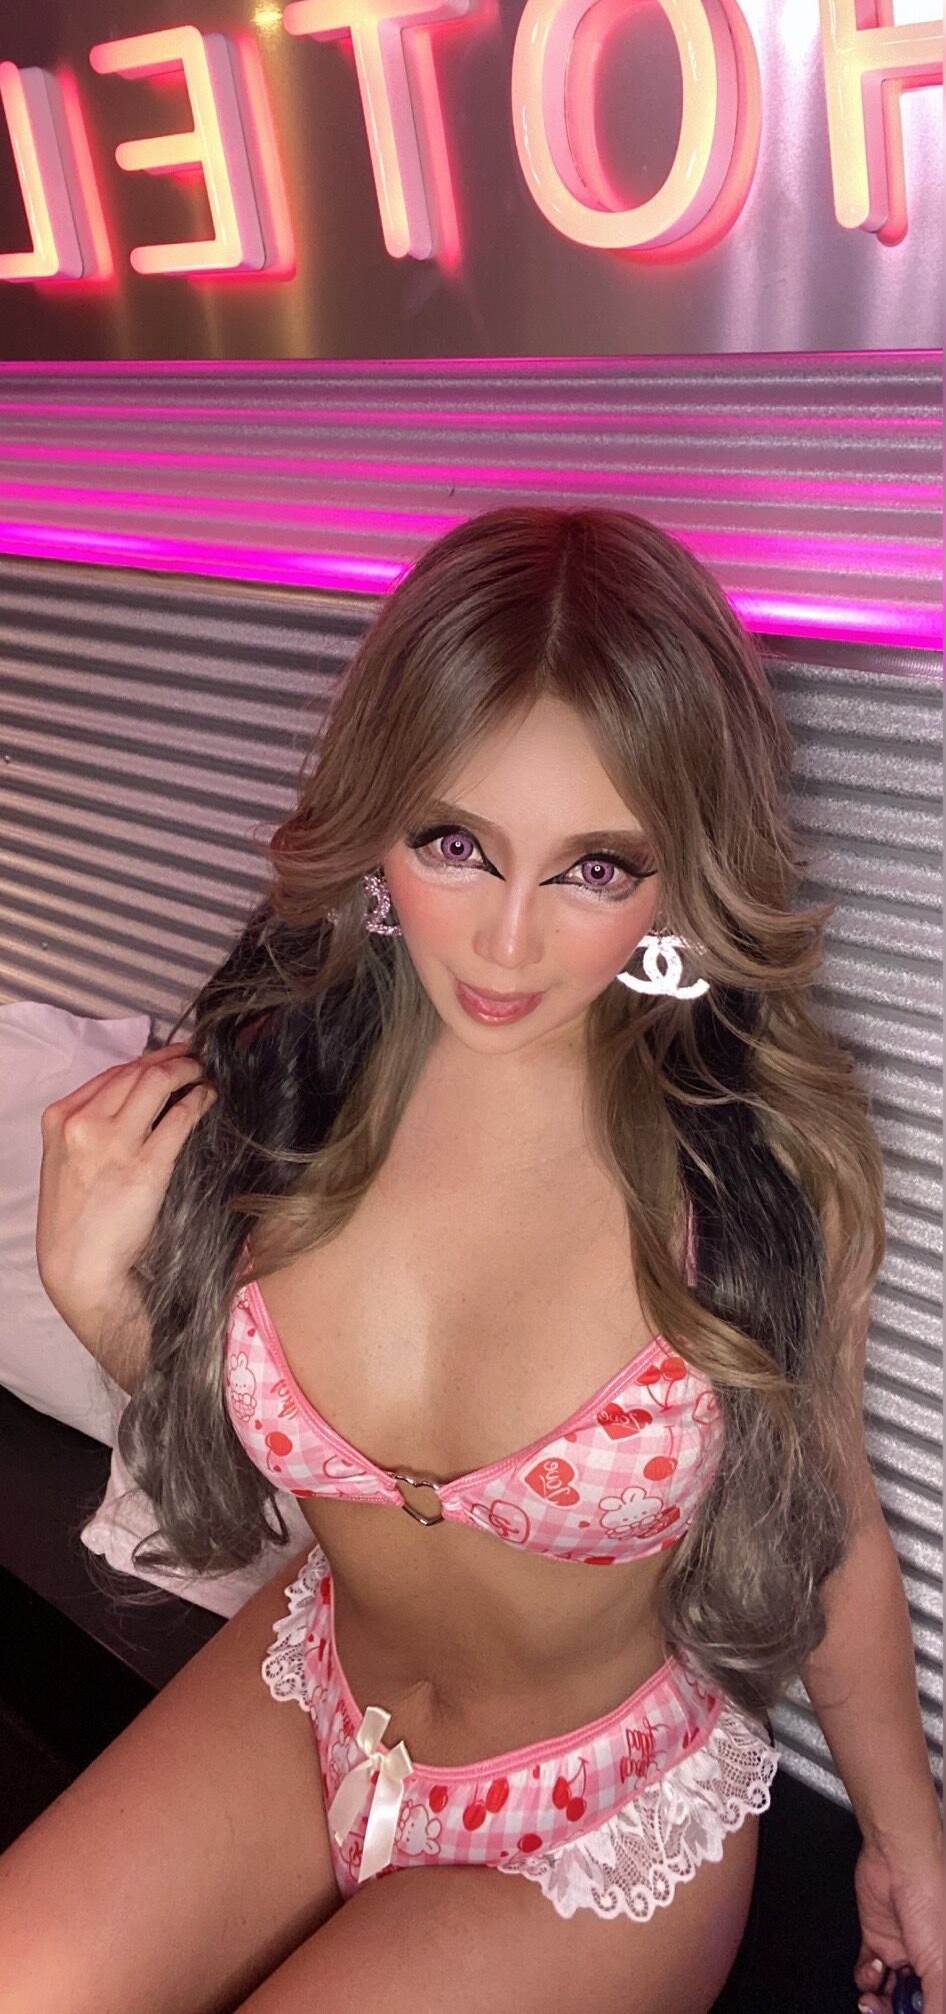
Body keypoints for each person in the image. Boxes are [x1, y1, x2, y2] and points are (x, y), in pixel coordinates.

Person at [10, 506, 942, 2014]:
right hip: (313, 1692)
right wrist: (103, 1305)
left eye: (595, 868)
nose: (506, 946)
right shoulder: (284, 1085)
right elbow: (265, 1469)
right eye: (456, 844)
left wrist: (907, 1848)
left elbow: (823, 1527)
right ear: (378, 817)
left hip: (593, 1820)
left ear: (680, 869)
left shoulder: (753, 1175)